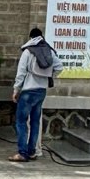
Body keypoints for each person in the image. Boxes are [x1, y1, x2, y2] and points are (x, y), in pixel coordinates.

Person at [10, 26, 62, 162]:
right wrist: (49, 76)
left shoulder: (28, 51)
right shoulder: (48, 50)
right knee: (35, 122)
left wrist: (16, 90)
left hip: (28, 91)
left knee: (21, 122)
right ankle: (32, 151)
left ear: (30, 37)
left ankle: (22, 152)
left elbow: (21, 72)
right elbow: (59, 67)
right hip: (41, 91)